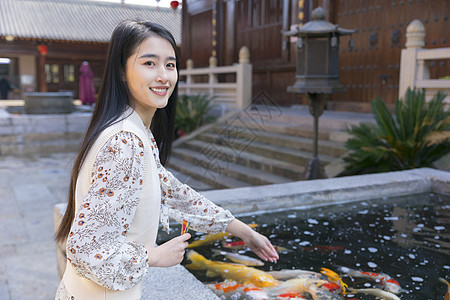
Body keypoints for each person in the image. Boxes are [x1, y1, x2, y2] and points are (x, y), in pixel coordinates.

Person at [54, 19, 279, 300]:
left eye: (170, 65)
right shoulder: (125, 140)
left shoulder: (134, 130)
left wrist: (239, 229)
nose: (163, 76)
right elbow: (85, 248)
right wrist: (154, 255)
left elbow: (172, 192)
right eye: (149, 63)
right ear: (121, 72)